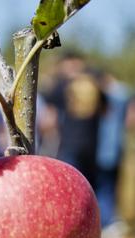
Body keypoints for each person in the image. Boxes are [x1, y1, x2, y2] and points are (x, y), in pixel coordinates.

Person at [44, 51, 107, 186]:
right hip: (91, 145)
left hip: (69, 145)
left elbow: (50, 118)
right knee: (90, 188)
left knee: (70, 185)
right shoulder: (94, 84)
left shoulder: (61, 86)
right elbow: (106, 111)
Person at [96, 71, 130, 238]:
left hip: (103, 152)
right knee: (111, 188)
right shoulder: (122, 96)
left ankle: (108, 224)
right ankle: (111, 222)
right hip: (116, 150)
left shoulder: (106, 98)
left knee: (104, 189)